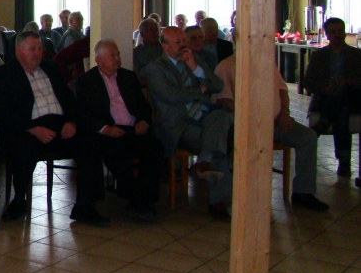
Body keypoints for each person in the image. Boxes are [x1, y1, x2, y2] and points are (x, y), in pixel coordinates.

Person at [0, 31, 108, 225]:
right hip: (28, 128)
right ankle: (19, 201)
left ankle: (85, 206)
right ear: (19, 51)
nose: (38, 53)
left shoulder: (51, 68)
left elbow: (70, 99)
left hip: (60, 125)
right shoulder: (3, 74)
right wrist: (33, 129)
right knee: (22, 146)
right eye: (32, 49)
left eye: (40, 49)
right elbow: (3, 111)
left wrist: (71, 121)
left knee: (90, 143)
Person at [214, 34, 328, 211]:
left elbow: (282, 90)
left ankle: (303, 192)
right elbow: (224, 100)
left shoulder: (267, 63)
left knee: (308, 137)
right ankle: (249, 193)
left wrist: (284, 112)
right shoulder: (226, 66)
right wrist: (252, 116)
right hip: (245, 124)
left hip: (274, 121)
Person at [143, 26, 233, 220]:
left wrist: (196, 69)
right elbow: (172, 96)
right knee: (216, 141)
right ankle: (216, 201)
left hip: (203, 115)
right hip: (177, 123)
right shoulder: (155, 68)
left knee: (222, 116)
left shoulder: (194, 59)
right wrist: (200, 89)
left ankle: (203, 163)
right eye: (178, 42)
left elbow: (218, 85)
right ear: (164, 46)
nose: (183, 45)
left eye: (184, 41)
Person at [76, 39, 164, 222]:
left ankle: (143, 197)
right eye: (112, 55)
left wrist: (143, 122)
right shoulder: (86, 81)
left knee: (155, 147)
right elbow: (83, 113)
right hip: (108, 132)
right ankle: (136, 200)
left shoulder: (128, 77)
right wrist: (105, 129)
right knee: (115, 152)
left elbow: (144, 106)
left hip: (132, 129)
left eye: (118, 54)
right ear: (98, 60)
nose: (117, 58)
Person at [303, 17, 361, 176]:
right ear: (327, 35)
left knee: (343, 91)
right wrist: (324, 89)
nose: (337, 35)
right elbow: (308, 82)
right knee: (342, 108)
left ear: (345, 32)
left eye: (340, 31)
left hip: (353, 97)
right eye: (333, 32)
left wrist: (347, 83)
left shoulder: (357, 55)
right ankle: (344, 161)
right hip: (326, 98)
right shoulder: (318, 56)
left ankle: (323, 122)